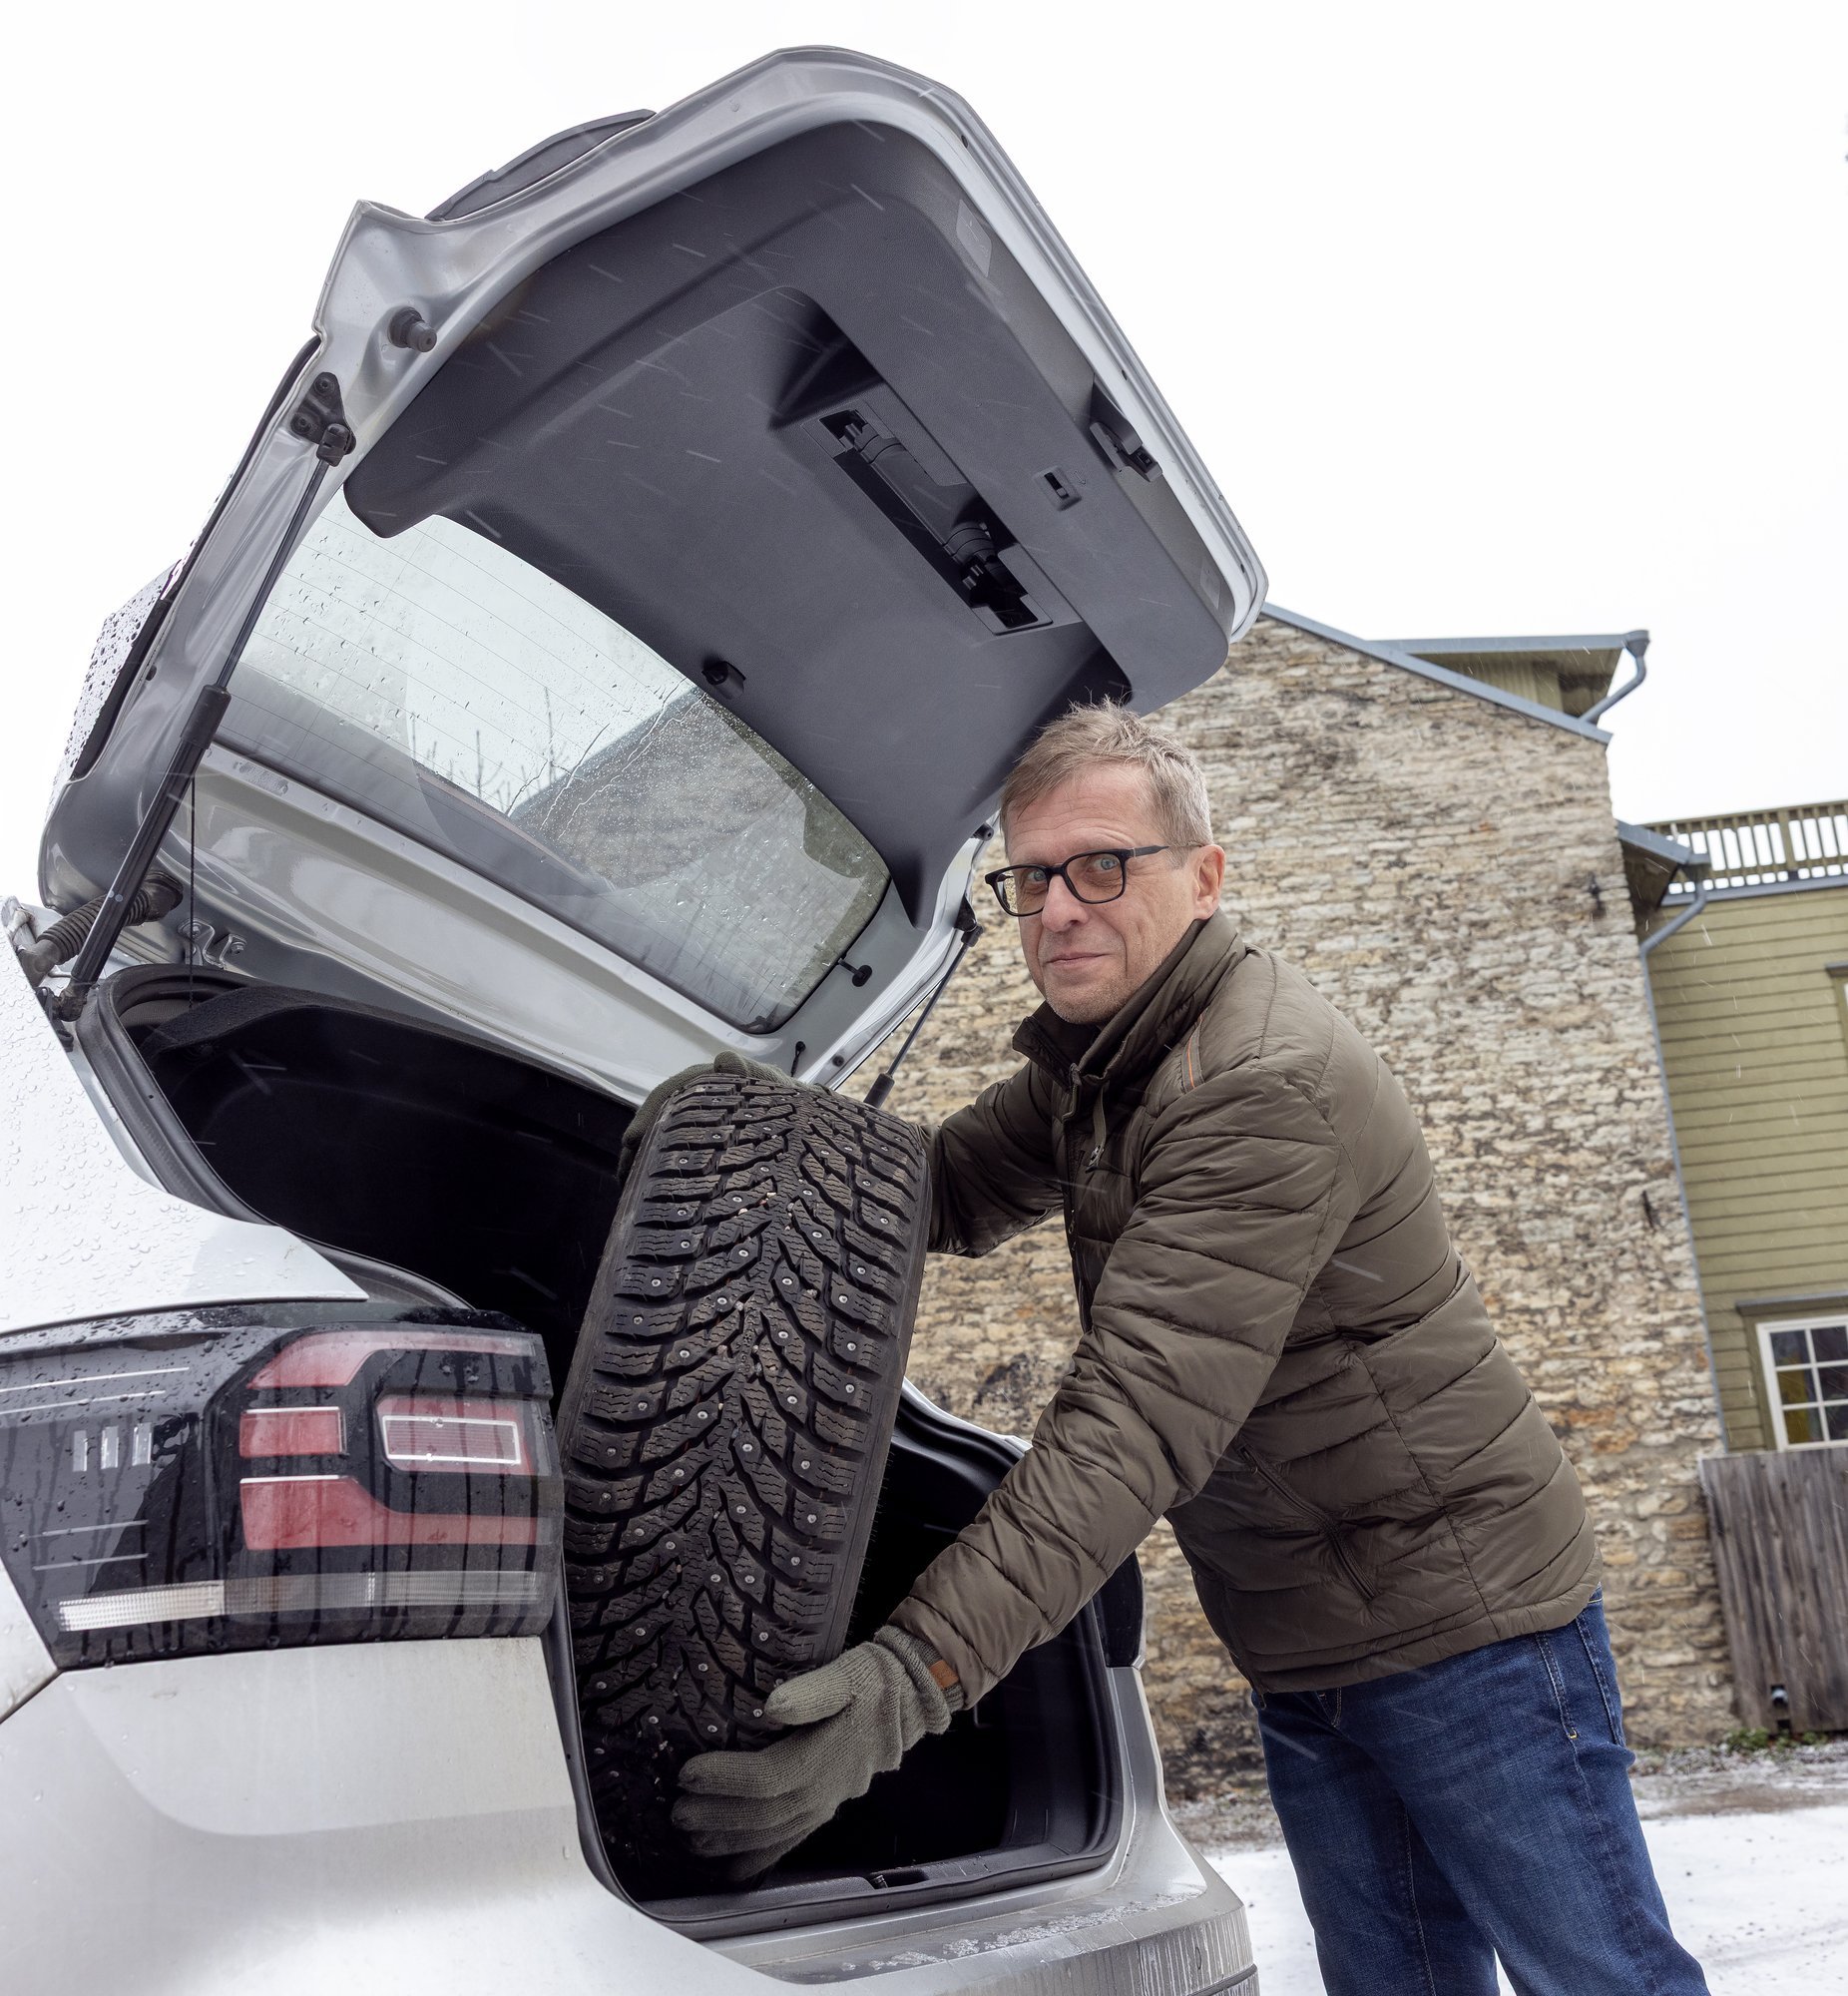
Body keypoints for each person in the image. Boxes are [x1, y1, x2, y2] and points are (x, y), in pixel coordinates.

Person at [673, 705, 1709, 1996]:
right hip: (1306, 1635)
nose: (1059, 909)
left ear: (1205, 878)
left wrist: (905, 1686)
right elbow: (934, 1194)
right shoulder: (1100, 1065)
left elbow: (1131, 1429)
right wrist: (757, 1155)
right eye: (1033, 876)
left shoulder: (1256, 1085)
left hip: (1471, 1634)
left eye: (1103, 866)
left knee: (1602, 1978)